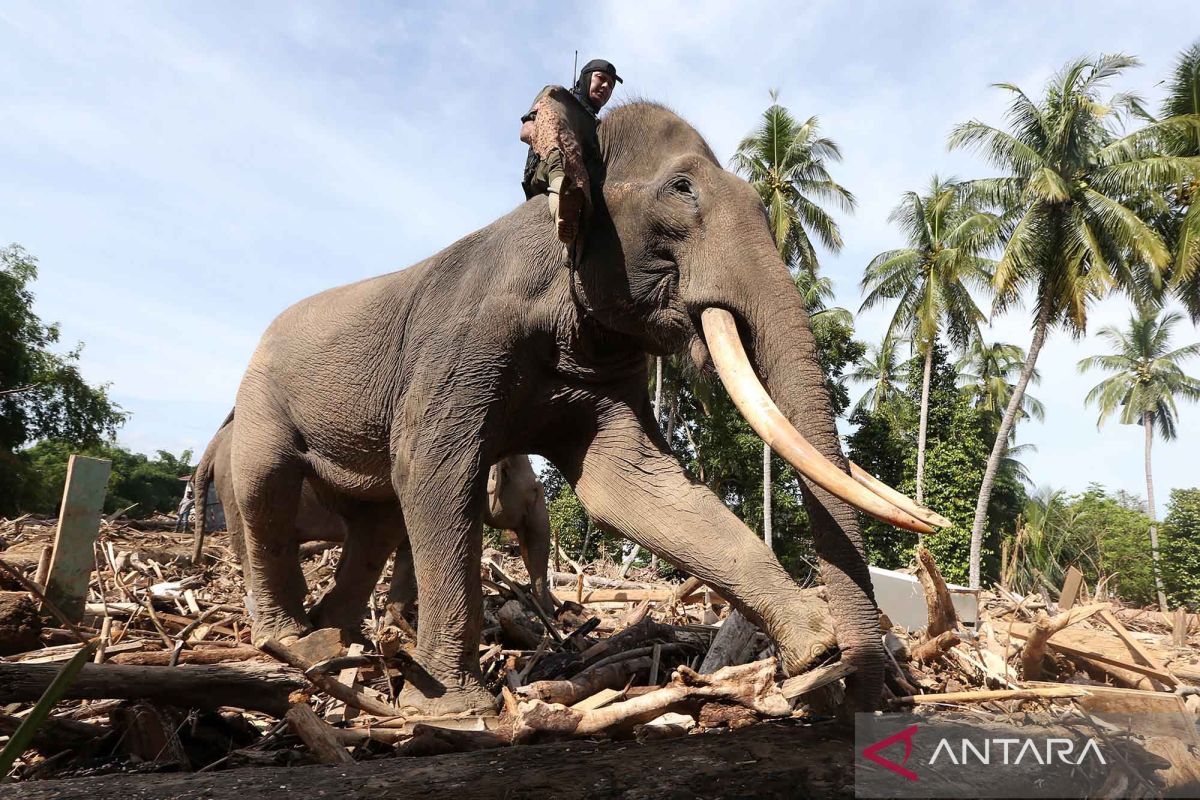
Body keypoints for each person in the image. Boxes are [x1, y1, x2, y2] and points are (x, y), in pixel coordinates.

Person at [519, 58, 622, 245]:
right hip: (548, 165)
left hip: (585, 177)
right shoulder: (558, 97)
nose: (606, 86)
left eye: (611, 85)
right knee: (560, 151)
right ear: (586, 78)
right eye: (601, 78)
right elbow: (526, 131)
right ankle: (563, 210)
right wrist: (557, 141)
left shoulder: (599, 129)